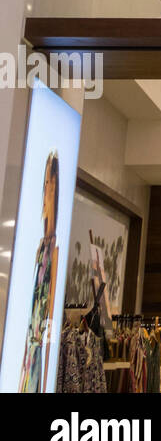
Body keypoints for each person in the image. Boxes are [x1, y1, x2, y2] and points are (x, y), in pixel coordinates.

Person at [19, 152, 61, 392]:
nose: (48, 191)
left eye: (52, 184)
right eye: (46, 184)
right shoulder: (40, 249)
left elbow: (51, 324)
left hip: (36, 364)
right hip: (28, 360)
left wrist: (46, 383)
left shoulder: (52, 253)